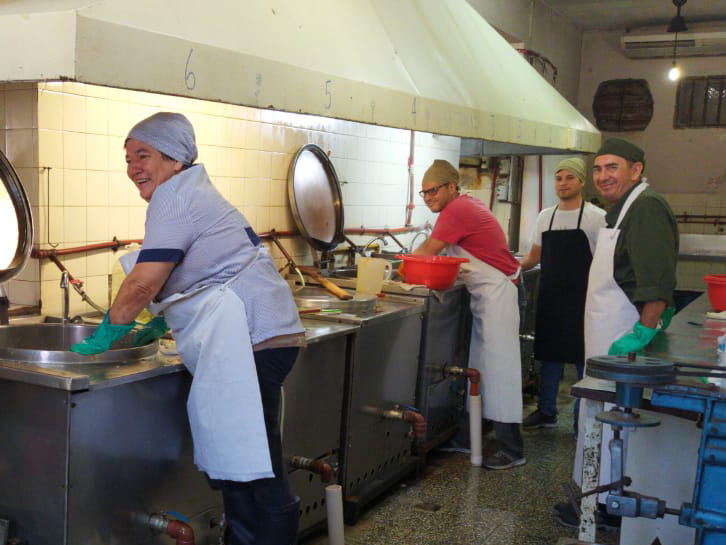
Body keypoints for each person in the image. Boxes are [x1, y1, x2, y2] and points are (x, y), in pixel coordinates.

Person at [70, 112, 306, 545]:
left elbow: (143, 282)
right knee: (240, 463)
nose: (133, 167)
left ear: (175, 158)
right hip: (258, 338)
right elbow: (203, 271)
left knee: (254, 466)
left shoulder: (174, 198)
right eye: (128, 158)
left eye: (143, 155)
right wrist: (160, 319)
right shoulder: (189, 191)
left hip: (252, 340)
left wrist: (108, 334)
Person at [555, 138, 678, 529]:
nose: (603, 176)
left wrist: (644, 330)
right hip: (605, 332)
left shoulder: (647, 208)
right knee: (601, 413)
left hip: (621, 334)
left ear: (636, 170)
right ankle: (595, 495)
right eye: (598, 168)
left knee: (612, 415)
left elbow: (655, 281)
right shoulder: (623, 209)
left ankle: (607, 505)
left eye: (613, 167)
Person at [413, 159, 525, 470]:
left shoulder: (457, 210)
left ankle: (513, 449)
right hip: (488, 296)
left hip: (499, 294)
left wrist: (397, 273)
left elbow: (429, 250)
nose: (428, 197)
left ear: (451, 187)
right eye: (424, 192)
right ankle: (466, 437)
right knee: (478, 369)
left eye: (433, 191)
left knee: (500, 371)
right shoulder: (463, 206)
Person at [519, 158, 606, 429]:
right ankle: (546, 411)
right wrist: (508, 270)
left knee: (583, 360)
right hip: (551, 298)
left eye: (569, 178)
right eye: (558, 178)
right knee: (549, 357)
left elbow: (604, 262)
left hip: (583, 300)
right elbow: (534, 256)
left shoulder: (596, 217)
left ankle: (583, 419)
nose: (563, 183)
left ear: (581, 182)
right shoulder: (546, 216)